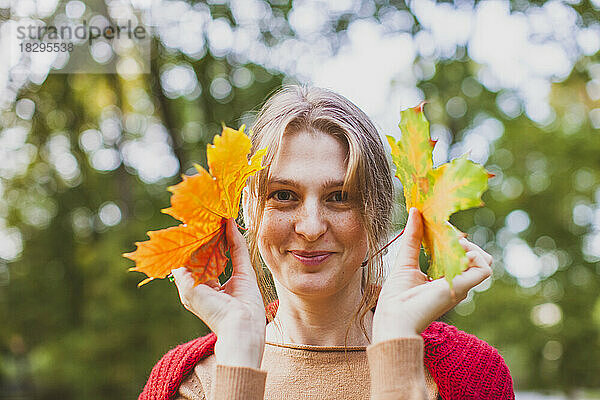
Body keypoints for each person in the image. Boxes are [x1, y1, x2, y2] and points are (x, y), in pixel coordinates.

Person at [139, 86, 515, 400]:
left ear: (376, 214)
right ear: (249, 215)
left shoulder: (468, 374)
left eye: (340, 196)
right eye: (284, 195)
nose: (311, 226)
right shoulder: (184, 382)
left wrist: (397, 346)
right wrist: (238, 356)